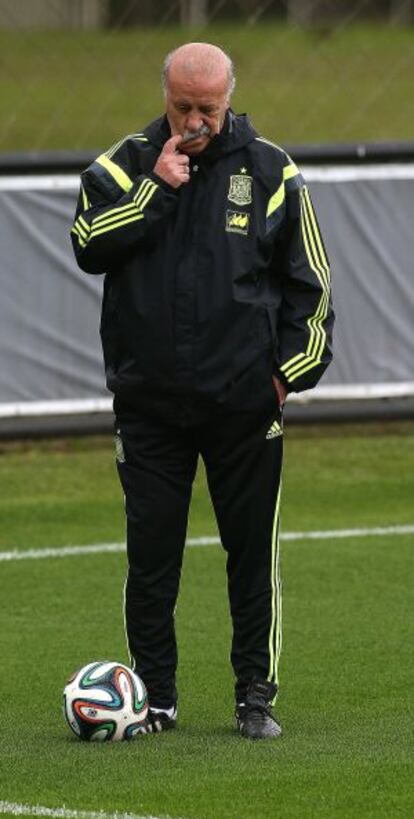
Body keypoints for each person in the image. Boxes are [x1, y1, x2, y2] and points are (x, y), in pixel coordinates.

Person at [71, 42, 334, 739]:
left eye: (208, 109)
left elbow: (314, 288)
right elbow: (88, 242)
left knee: (252, 553)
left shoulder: (272, 170)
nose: (195, 121)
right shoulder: (120, 165)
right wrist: (156, 187)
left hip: (244, 405)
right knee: (151, 556)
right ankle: (155, 698)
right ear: (165, 98)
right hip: (149, 404)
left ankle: (255, 693)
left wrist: (283, 377)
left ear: (228, 100)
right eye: (183, 107)